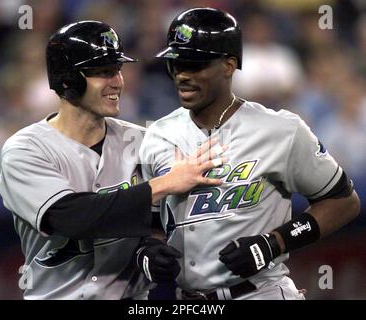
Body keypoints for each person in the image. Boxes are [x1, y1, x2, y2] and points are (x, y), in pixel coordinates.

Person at [138, 8, 360, 300]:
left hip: (260, 293)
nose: (182, 75)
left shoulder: (281, 130)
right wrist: (149, 250)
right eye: (176, 64)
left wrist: (274, 243)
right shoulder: (157, 134)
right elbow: (150, 221)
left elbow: (343, 202)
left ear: (229, 65)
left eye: (195, 64)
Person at [0, 20, 225, 300]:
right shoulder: (26, 149)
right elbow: (71, 218)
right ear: (67, 79)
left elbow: (157, 221)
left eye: (117, 70)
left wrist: (149, 251)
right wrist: (162, 185)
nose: (117, 81)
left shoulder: (145, 141)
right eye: (103, 72)